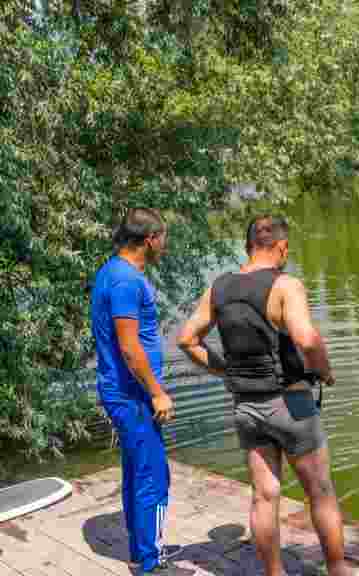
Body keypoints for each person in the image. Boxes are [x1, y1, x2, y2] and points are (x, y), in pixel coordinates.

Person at [176, 215, 351, 576]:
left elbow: (186, 339)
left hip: (245, 406)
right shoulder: (286, 285)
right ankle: (338, 570)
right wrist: (325, 371)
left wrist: (227, 371)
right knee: (320, 491)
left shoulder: (219, 287)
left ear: (247, 246)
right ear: (282, 248)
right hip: (292, 401)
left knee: (264, 495)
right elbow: (306, 339)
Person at [90, 208, 187, 575]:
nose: (165, 245)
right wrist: (157, 392)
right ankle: (150, 563)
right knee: (153, 476)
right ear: (150, 240)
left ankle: (140, 551)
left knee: (136, 471)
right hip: (133, 394)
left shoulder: (111, 272)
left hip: (124, 391)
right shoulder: (126, 281)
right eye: (163, 237)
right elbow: (130, 348)